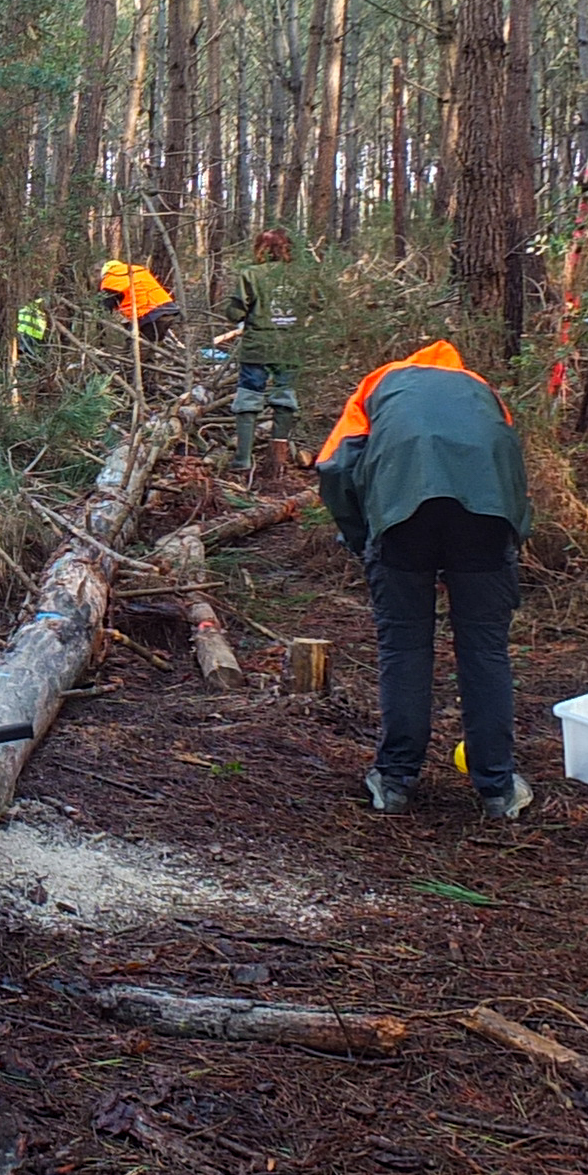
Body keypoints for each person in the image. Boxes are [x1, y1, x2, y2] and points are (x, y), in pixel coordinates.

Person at [315, 339, 536, 822]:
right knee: (485, 648)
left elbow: (335, 466)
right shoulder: (482, 390)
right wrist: (511, 537)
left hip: (401, 521)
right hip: (486, 520)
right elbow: (511, 465)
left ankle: (395, 780)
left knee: (405, 646)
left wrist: (362, 537)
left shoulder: (378, 385)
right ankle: (498, 788)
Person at [214, 228, 305, 474]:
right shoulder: (301, 275)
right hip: (289, 347)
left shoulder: (251, 275)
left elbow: (235, 313)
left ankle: (242, 460)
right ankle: (278, 461)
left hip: (257, 347)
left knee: (249, 397)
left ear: (261, 249)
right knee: (285, 397)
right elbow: (318, 304)